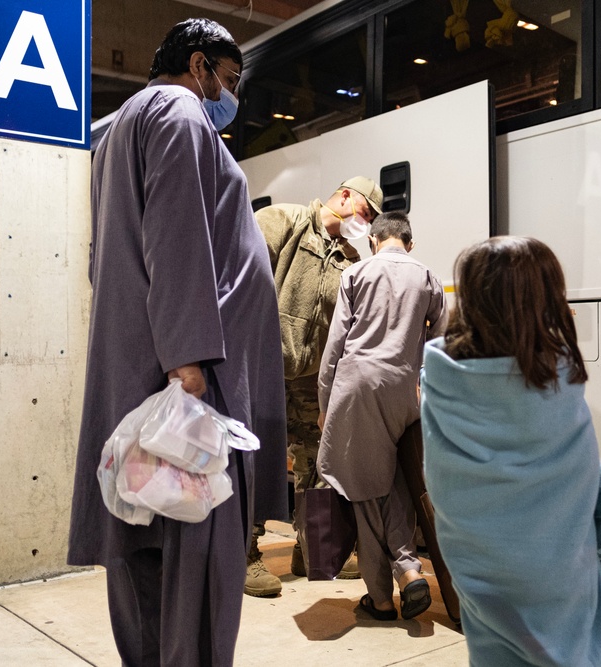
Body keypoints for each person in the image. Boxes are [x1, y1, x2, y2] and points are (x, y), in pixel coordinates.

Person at [67, 18, 287, 666]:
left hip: (140, 380)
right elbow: (179, 239)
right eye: (228, 80)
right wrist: (186, 366)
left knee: (144, 561)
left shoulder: (117, 132)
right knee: (197, 571)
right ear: (199, 67)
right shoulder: (180, 113)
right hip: (189, 395)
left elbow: (104, 259)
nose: (229, 97)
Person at [420, 236, 601, 665]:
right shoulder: (559, 370)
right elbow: (581, 467)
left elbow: (441, 475)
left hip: (476, 563)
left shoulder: (442, 374)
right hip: (558, 564)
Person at [247, 176, 382, 595]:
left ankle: (314, 550)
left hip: (311, 378)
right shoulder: (282, 219)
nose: (368, 223)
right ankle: (246, 554)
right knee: (256, 460)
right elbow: (239, 274)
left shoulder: (350, 256)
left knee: (316, 462)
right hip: (263, 366)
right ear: (344, 196)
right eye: (366, 213)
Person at [316, 211, 447, 621]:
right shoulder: (427, 277)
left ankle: (382, 596)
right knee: (396, 486)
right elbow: (441, 345)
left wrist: (325, 406)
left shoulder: (355, 274)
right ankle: (408, 571)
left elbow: (335, 348)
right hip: (406, 393)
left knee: (366, 494)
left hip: (358, 389)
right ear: (409, 242)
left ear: (374, 240)